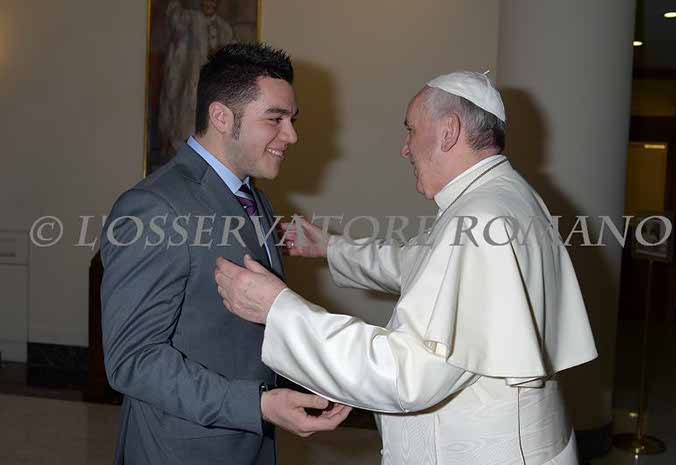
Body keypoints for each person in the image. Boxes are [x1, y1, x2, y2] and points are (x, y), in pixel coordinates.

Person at [215, 71, 599, 465]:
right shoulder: (503, 195)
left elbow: (407, 376)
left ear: (448, 131)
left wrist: (279, 309)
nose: (404, 148)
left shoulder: (481, 218)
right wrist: (330, 247)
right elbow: (420, 264)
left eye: (411, 130)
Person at [101, 43, 350, 465]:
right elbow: (133, 360)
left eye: (291, 120)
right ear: (221, 117)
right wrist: (256, 405)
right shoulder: (154, 208)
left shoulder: (254, 198)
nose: (291, 135)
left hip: (251, 444)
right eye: (275, 119)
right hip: (181, 450)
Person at [159, 0, 235, 157]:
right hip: (191, 89)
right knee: (186, 130)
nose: (209, 4)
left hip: (216, 90)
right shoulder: (190, 20)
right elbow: (174, 21)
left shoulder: (225, 28)